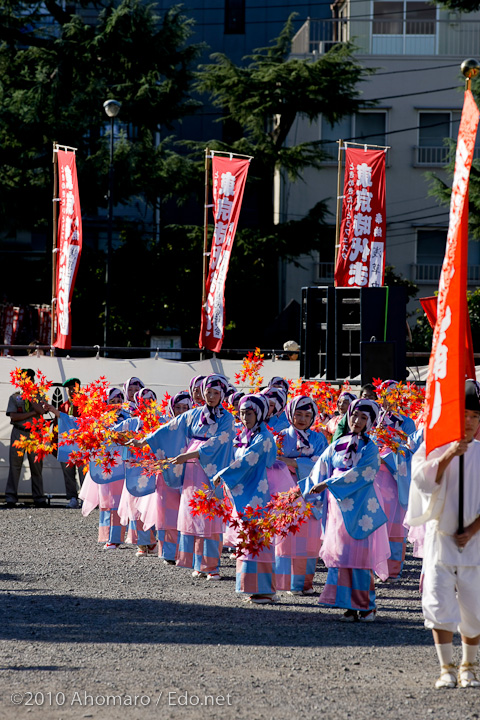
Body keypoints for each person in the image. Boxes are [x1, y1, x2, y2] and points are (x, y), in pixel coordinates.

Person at [406, 379, 480, 689]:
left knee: (474, 608)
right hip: (441, 539)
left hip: (474, 545)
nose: (469, 422)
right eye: (464, 414)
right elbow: (423, 482)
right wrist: (450, 453)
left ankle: (469, 666)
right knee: (438, 604)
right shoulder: (433, 448)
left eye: (475, 416)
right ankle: (446, 667)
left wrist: (474, 528)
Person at [300, 398, 389, 622]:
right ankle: (348, 605)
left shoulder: (370, 448)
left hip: (360, 507)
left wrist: (329, 483)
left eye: (362, 417)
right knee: (342, 555)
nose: (356, 421)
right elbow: (320, 467)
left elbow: (364, 474)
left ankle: (367, 606)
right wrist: (304, 491)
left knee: (360, 556)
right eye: (353, 416)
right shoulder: (337, 443)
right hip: (337, 507)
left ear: (371, 421)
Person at [143, 374, 235, 580]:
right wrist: (144, 440)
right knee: (193, 512)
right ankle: (197, 562)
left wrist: (189, 455)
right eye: (208, 392)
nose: (211, 396)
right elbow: (170, 428)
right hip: (191, 469)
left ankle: (211, 565)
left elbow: (218, 443)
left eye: (215, 393)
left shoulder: (227, 418)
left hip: (211, 468)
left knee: (209, 515)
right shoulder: (194, 414)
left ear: (223, 394)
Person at [213, 393, 278, 604]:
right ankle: (252, 588)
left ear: (258, 413)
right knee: (247, 540)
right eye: (241, 413)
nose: (245, 417)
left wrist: (223, 474)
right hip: (245, 492)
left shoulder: (264, 437)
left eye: (249, 413)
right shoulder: (244, 435)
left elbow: (249, 460)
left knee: (259, 540)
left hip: (259, 493)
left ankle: (265, 590)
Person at [275, 395, 328, 595]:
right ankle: (286, 583)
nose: (303, 419)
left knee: (309, 539)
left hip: (311, 494)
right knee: (288, 537)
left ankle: (305, 583)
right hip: (286, 491)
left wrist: (293, 462)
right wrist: (300, 461)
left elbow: (322, 464)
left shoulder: (319, 438)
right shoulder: (280, 437)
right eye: (298, 414)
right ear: (290, 414)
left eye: (307, 415)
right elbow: (273, 461)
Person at [5, 368, 48, 508]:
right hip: (19, 432)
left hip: (35, 434)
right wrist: (31, 414)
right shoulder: (15, 397)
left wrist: (31, 397)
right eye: (23, 379)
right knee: (15, 465)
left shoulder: (39, 395)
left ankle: (39, 497)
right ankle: (11, 496)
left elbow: (41, 411)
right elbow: (13, 416)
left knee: (36, 467)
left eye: (29, 379)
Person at [58, 378, 82, 508]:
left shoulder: (85, 404)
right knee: (68, 471)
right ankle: (72, 497)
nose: (72, 390)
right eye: (69, 388)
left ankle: (85, 497)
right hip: (67, 444)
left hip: (82, 442)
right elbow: (58, 425)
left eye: (74, 387)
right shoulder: (63, 406)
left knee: (83, 471)